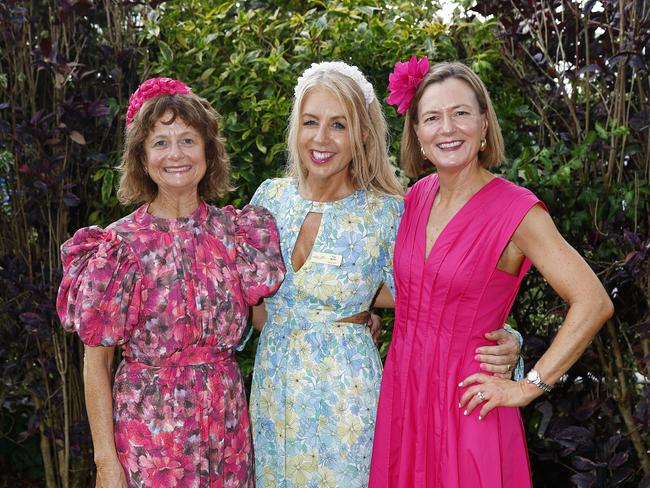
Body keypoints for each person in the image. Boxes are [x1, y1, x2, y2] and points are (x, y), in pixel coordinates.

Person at [247, 61, 521, 488]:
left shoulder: (387, 212)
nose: (321, 138)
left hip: (348, 399)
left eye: (339, 124)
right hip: (273, 394)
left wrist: (508, 339)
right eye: (310, 122)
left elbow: (438, 293)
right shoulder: (267, 199)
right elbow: (252, 303)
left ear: (361, 134)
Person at [368, 58, 614, 487]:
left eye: (461, 113)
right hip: (406, 397)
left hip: (470, 403)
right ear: (418, 135)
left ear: (484, 124)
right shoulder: (415, 198)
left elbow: (593, 302)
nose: (447, 128)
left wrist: (529, 385)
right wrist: (353, 312)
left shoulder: (517, 212)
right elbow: (415, 291)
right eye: (432, 118)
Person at [57, 77, 285, 487]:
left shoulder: (236, 235)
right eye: (160, 142)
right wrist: (106, 463)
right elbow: (96, 364)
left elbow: (269, 319)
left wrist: (346, 318)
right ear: (142, 158)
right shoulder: (118, 247)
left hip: (227, 432)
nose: (175, 154)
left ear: (208, 152)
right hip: (149, 439)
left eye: (187, 140)